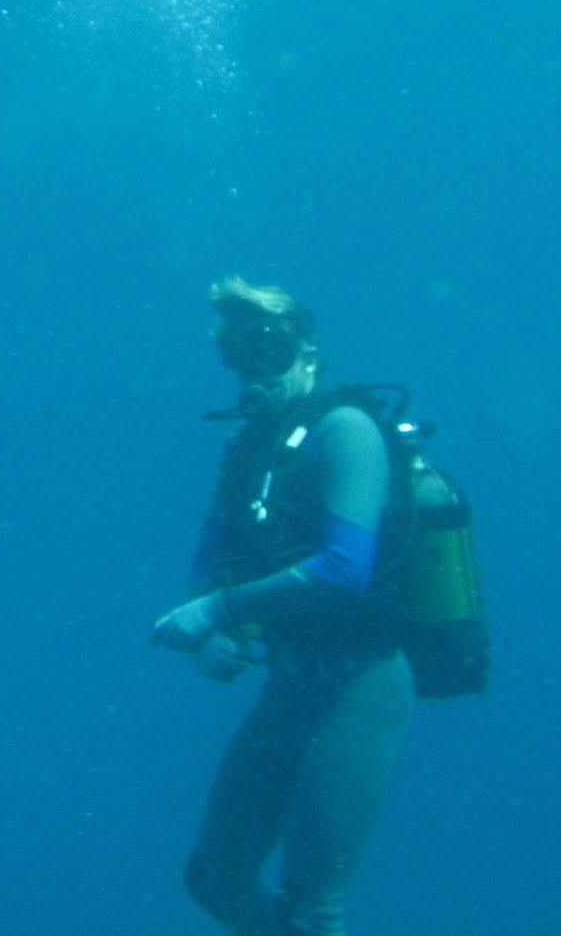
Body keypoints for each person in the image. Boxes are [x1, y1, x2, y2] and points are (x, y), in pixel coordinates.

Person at [151, 278, 416, 936]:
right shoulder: (246, 451)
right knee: (215, 877)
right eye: (240, 354)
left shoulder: (345, 430)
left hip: (359, 680)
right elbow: (207, 563)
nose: (256, 368)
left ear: (306, 351)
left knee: (313, 903)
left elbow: (343, 569)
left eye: (269, 347)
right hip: (289, 683)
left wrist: (216, 610)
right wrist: (215, 627)